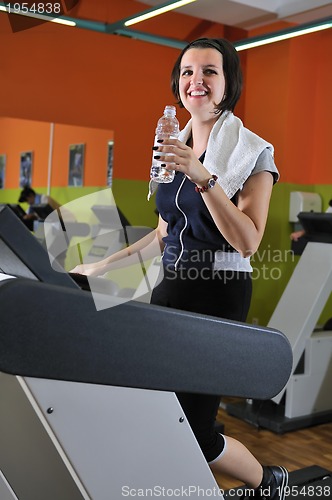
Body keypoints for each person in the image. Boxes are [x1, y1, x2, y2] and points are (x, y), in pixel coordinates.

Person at [71, 38, 288, 499]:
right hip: (173, 284)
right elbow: (165, 232)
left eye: (210, 71)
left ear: (229, 83)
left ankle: (269, 480)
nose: (197, 81)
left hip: (219, 289)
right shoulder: (174, 143)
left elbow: (249, 241)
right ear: (177, 83)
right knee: (154, 405)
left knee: (194, 425)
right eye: (188, 72)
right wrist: (103, 266)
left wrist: (202, 176)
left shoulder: (253, 152)